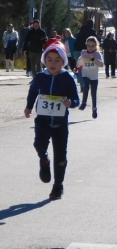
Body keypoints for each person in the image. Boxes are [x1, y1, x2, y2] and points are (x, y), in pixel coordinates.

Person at [24, 42, 79, 200]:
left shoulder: (67, 78)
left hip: (60, 123)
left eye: (57, 60)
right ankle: (44, 160)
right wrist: (28, 107)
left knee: (61, 155)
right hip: (43, 120)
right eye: (49, 59)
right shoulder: (41, 77)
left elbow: (76, 99)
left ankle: (58, 186)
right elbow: (33, 91)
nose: (53, 63)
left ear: (63, 62)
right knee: (39, 144)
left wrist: (71, 103)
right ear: (44, 60)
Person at [75, 36, 103, 119]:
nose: (90, 48)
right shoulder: (83, 53)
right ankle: (84, 103)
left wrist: (93, 59)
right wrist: (77, 67)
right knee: (85, 86)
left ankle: (94, 108)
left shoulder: (97, 54)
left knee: (93, 93)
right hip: (85, 75)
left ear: (96, 46)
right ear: (86, 45)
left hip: (94, 77)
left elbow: (101, 64)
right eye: (88, 46)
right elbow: (80, 61)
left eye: (93, 46)